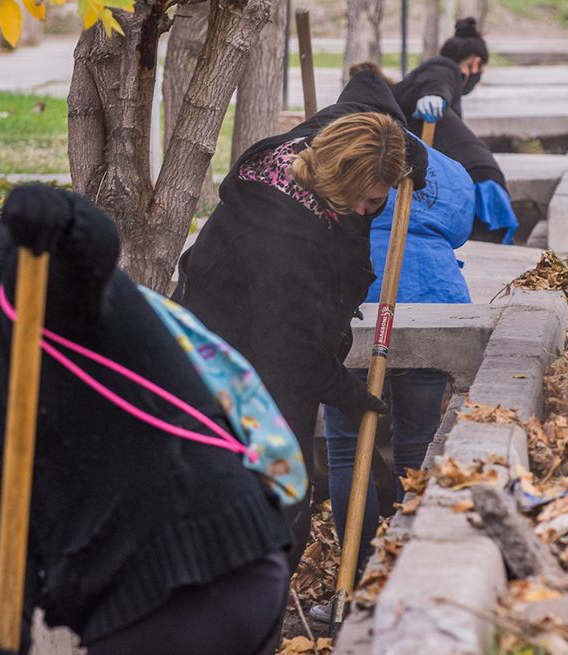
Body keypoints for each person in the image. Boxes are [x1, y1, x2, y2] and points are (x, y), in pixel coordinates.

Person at [0, 159, 293, 655]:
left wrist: (61, 214)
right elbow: (6, 511)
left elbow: (92, 250)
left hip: (202, 576)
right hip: (183, 589)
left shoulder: (42, 292)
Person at [174, 70, 428, 573]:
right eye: (359, 198)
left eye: (376, 202)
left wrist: (404, 160)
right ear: (334, 174)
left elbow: (368, 96)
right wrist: (351, 394)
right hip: (229, 363)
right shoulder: (285, 240)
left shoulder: (319, 145)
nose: (363, 210)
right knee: (278, 501)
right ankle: (254, 630)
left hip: (265, 346)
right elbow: (290, 350)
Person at [319, 107, 476, 577]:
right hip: (434, 299)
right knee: (418, 441)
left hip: (359, 304)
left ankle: (365, 566)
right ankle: (401, 568)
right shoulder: (446, 167)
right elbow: (462, 228)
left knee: (347, 448)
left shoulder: (336, 155)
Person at [393, 17, 521, 245]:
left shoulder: (434, 71)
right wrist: (435, 96)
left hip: (477, 180)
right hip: (476, 175)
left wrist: (435, 97)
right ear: (475, 63)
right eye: (481, 69)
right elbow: (437, 84)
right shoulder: (443, 69)